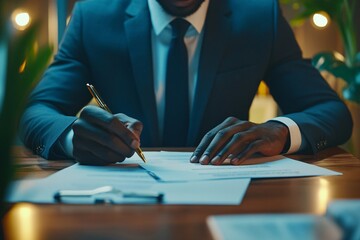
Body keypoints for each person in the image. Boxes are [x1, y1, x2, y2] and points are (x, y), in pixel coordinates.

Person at [19, 0, 353, 166]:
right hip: (122, 204)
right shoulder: (93, 17)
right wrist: (72, 136)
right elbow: (35, 111)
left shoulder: (259, 17)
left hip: (232, 202)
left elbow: (331, 112)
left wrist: (278, 131)